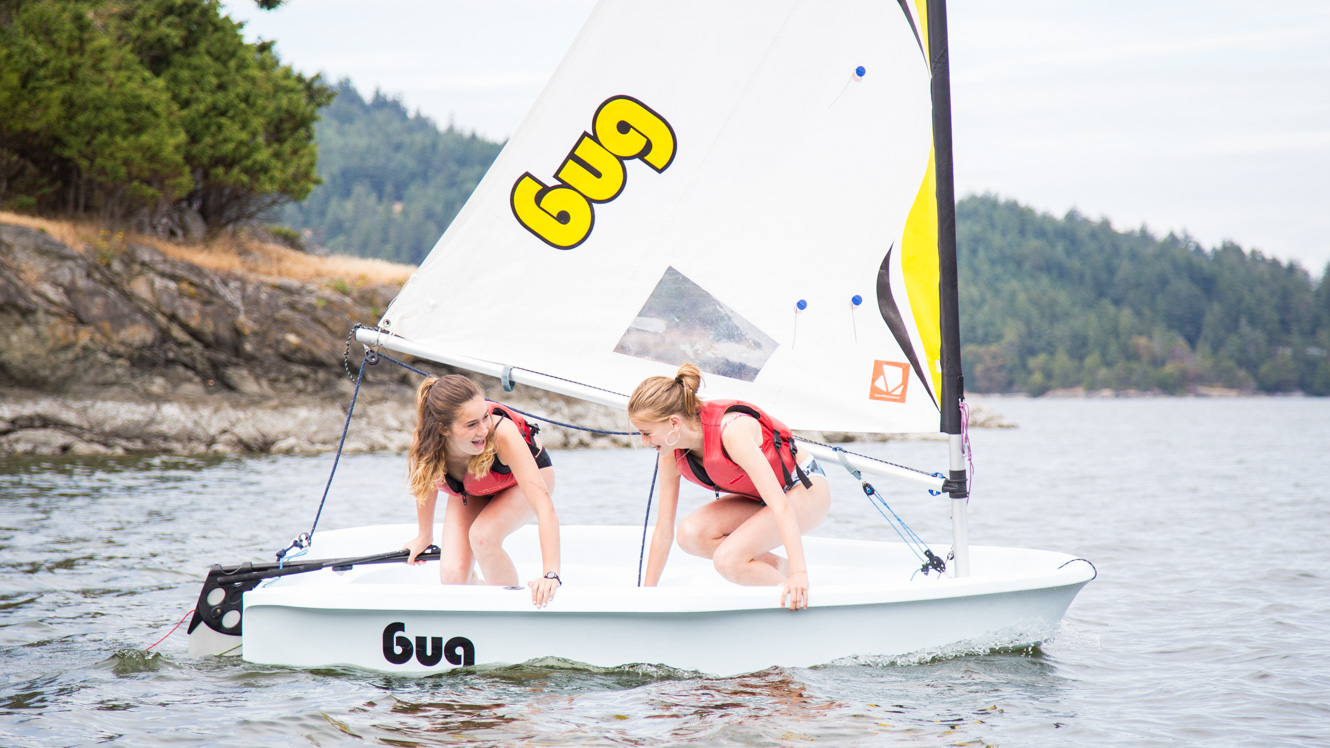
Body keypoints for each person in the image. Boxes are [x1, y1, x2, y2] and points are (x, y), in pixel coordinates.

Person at [627, 363, 831, 610]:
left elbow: (781, 506)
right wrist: (647, 596)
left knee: (728, 560)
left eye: (646, 433)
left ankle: (796, 593)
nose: (644, 441)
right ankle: (780, 571)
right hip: (761, 498)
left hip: (804, 489)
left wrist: (800, 573)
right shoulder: (671, 453)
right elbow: (663, 531)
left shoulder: (731, 432)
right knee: (689, 534)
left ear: (673, 423)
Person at [404, 374, 562, 607]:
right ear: (443, 429)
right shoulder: (425, 441)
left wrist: (551, 574)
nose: (484, 429)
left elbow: (545, 509)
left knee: (483, 536)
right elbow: (425, 483)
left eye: (485, 417)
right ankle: (484, 598)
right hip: (476, 488)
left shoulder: (501, 434)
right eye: (471, 424)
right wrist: (424, 536)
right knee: (452, 577)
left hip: (521, 482)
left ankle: (510, 611)